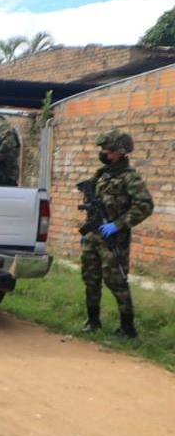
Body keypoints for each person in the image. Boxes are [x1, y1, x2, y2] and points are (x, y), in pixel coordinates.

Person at [80, 129, 153, 338]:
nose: (103, 153)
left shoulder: (130, 178)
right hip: (93, 235)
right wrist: (86, 229)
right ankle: (92, 321)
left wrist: (118, 224)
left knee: (116, 281)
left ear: (120, 152)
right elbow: (92, 204)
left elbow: (145, 205)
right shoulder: (101, 174)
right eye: (102, 149)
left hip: (114, 239)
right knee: (90, 278)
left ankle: (127, 328)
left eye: (108, 150)